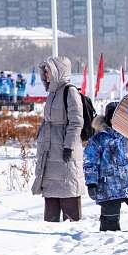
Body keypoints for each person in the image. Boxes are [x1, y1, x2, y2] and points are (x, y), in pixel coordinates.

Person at [84, 102, 128, 233]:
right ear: (108, 119)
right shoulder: (98, 140)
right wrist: (91, 184)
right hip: (108, 188)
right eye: (113, 118)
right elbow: (90, 163)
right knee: (110, 219)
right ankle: (110, 241)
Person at [31, 56, 85, 222]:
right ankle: (50, 225)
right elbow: (48, 119)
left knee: (68, 187)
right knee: (51, 189)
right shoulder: (52, 93)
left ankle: (72, 230)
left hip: (63, 149)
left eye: (48, 71)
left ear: (58, 71)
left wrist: (68, 146)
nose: (46, 75)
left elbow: (76, 122)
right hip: (49, 149)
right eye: (45, 72)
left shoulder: (70, 92)